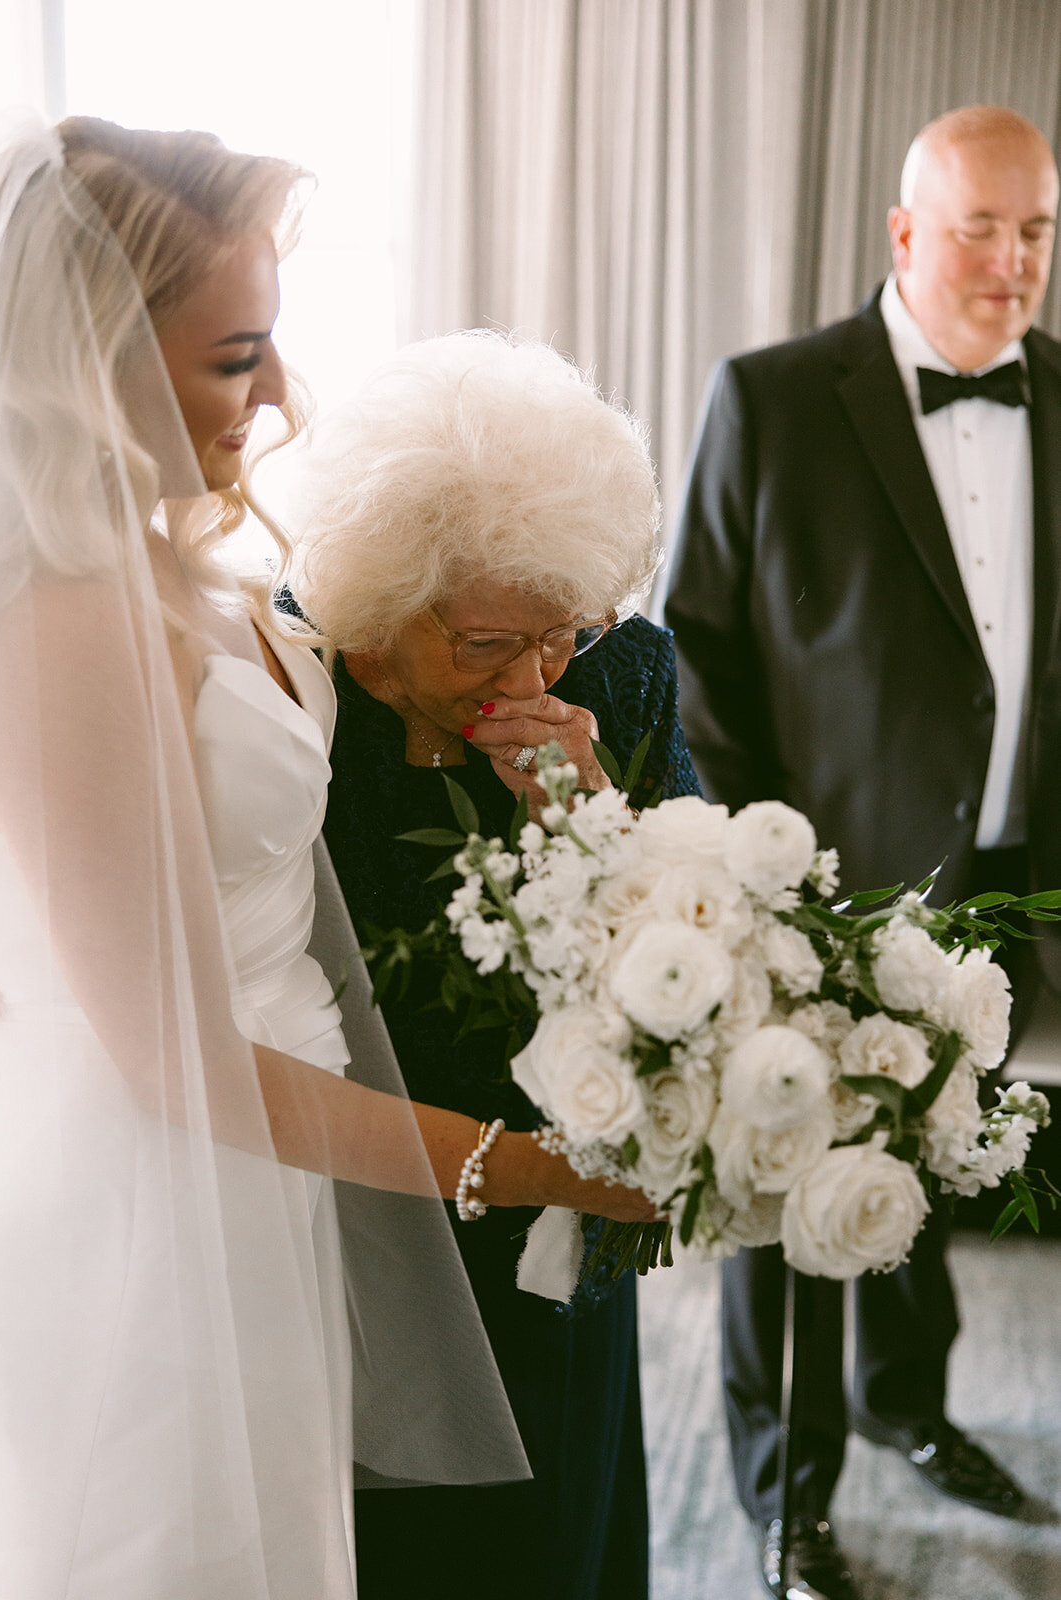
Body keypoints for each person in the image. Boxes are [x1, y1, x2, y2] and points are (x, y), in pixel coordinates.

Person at [0, 119, 653, 1600]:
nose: (285, 395)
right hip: (156, 1200)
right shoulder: (62, 623)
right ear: (83, 365)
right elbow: (173, 1059)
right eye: (236, 359)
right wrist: (529, 1168)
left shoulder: (197, 569)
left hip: (270, 1185)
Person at [665, 103, 1060, 1600]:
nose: (1009, 262)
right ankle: (786, 1494)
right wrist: (762, 872)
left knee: (934, 1160)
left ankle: (908, 1413)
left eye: (1033, 231)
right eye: (978, 226)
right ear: (901, 232)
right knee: (777, 1188)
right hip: (818, 883)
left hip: (1009, 881)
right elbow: (695, 641)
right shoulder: (769, 400)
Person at [290, 329, 702, 1600]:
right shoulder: (292, 690)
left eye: (560, 635)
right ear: (374, 616)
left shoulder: (618, 677)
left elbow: (701, 952)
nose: (530, 678)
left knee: (547, 1548)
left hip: (555, 1220)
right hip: (346, 1193)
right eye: (482, 647)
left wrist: (591, 831)